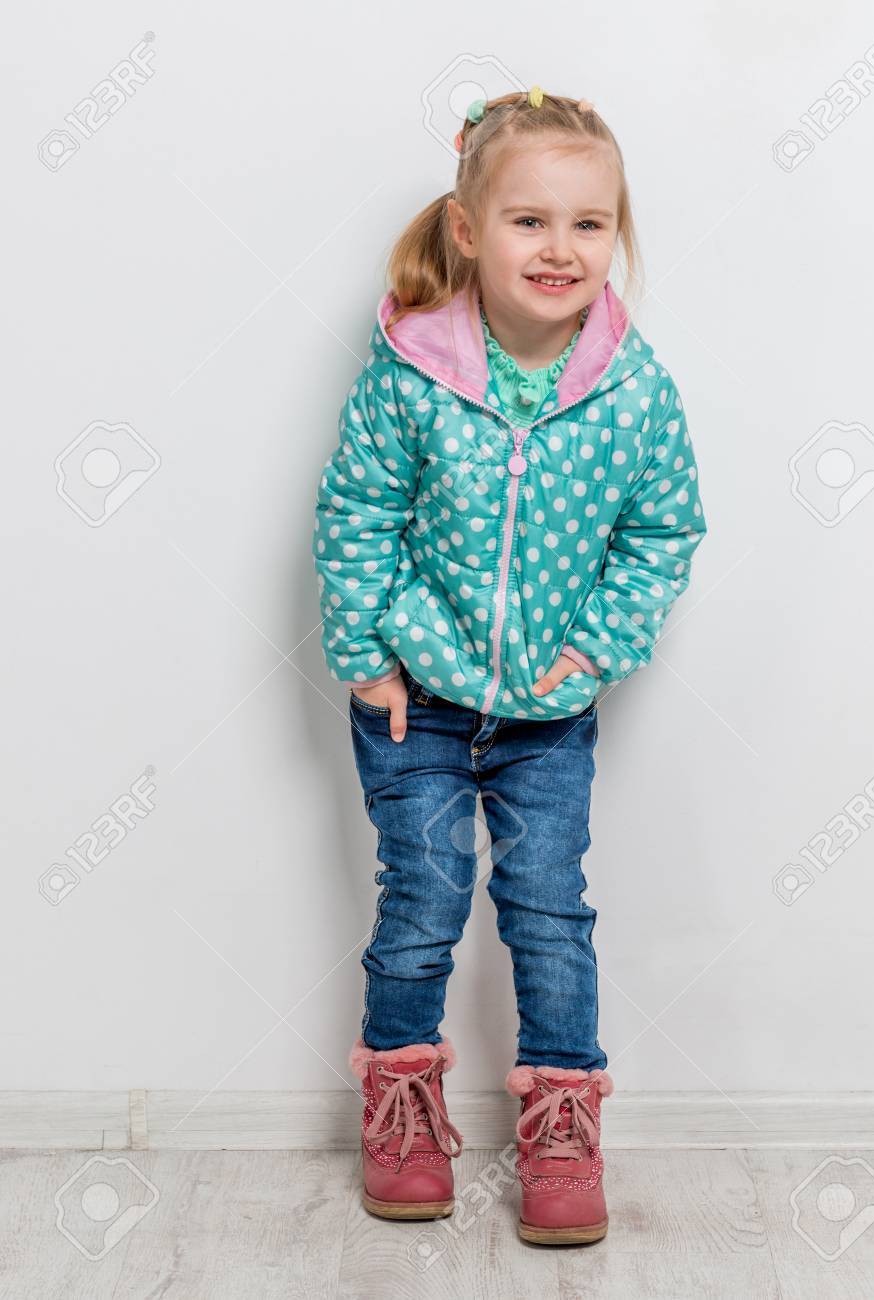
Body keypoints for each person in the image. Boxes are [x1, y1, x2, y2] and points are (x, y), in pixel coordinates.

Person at [313, 85, 708, 1245]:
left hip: (548, 708)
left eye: (589, 224)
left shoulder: (634, 394)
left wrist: (597, 646)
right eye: (529, 221)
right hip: (416, 699)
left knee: (548, 911)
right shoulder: (410, 375)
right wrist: (366, 656)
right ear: (470, 229)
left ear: (616, 238)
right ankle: (400, 1107)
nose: (560, 248)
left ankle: (563, 1127)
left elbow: (664, 533)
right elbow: (356, 516)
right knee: (424, 901)